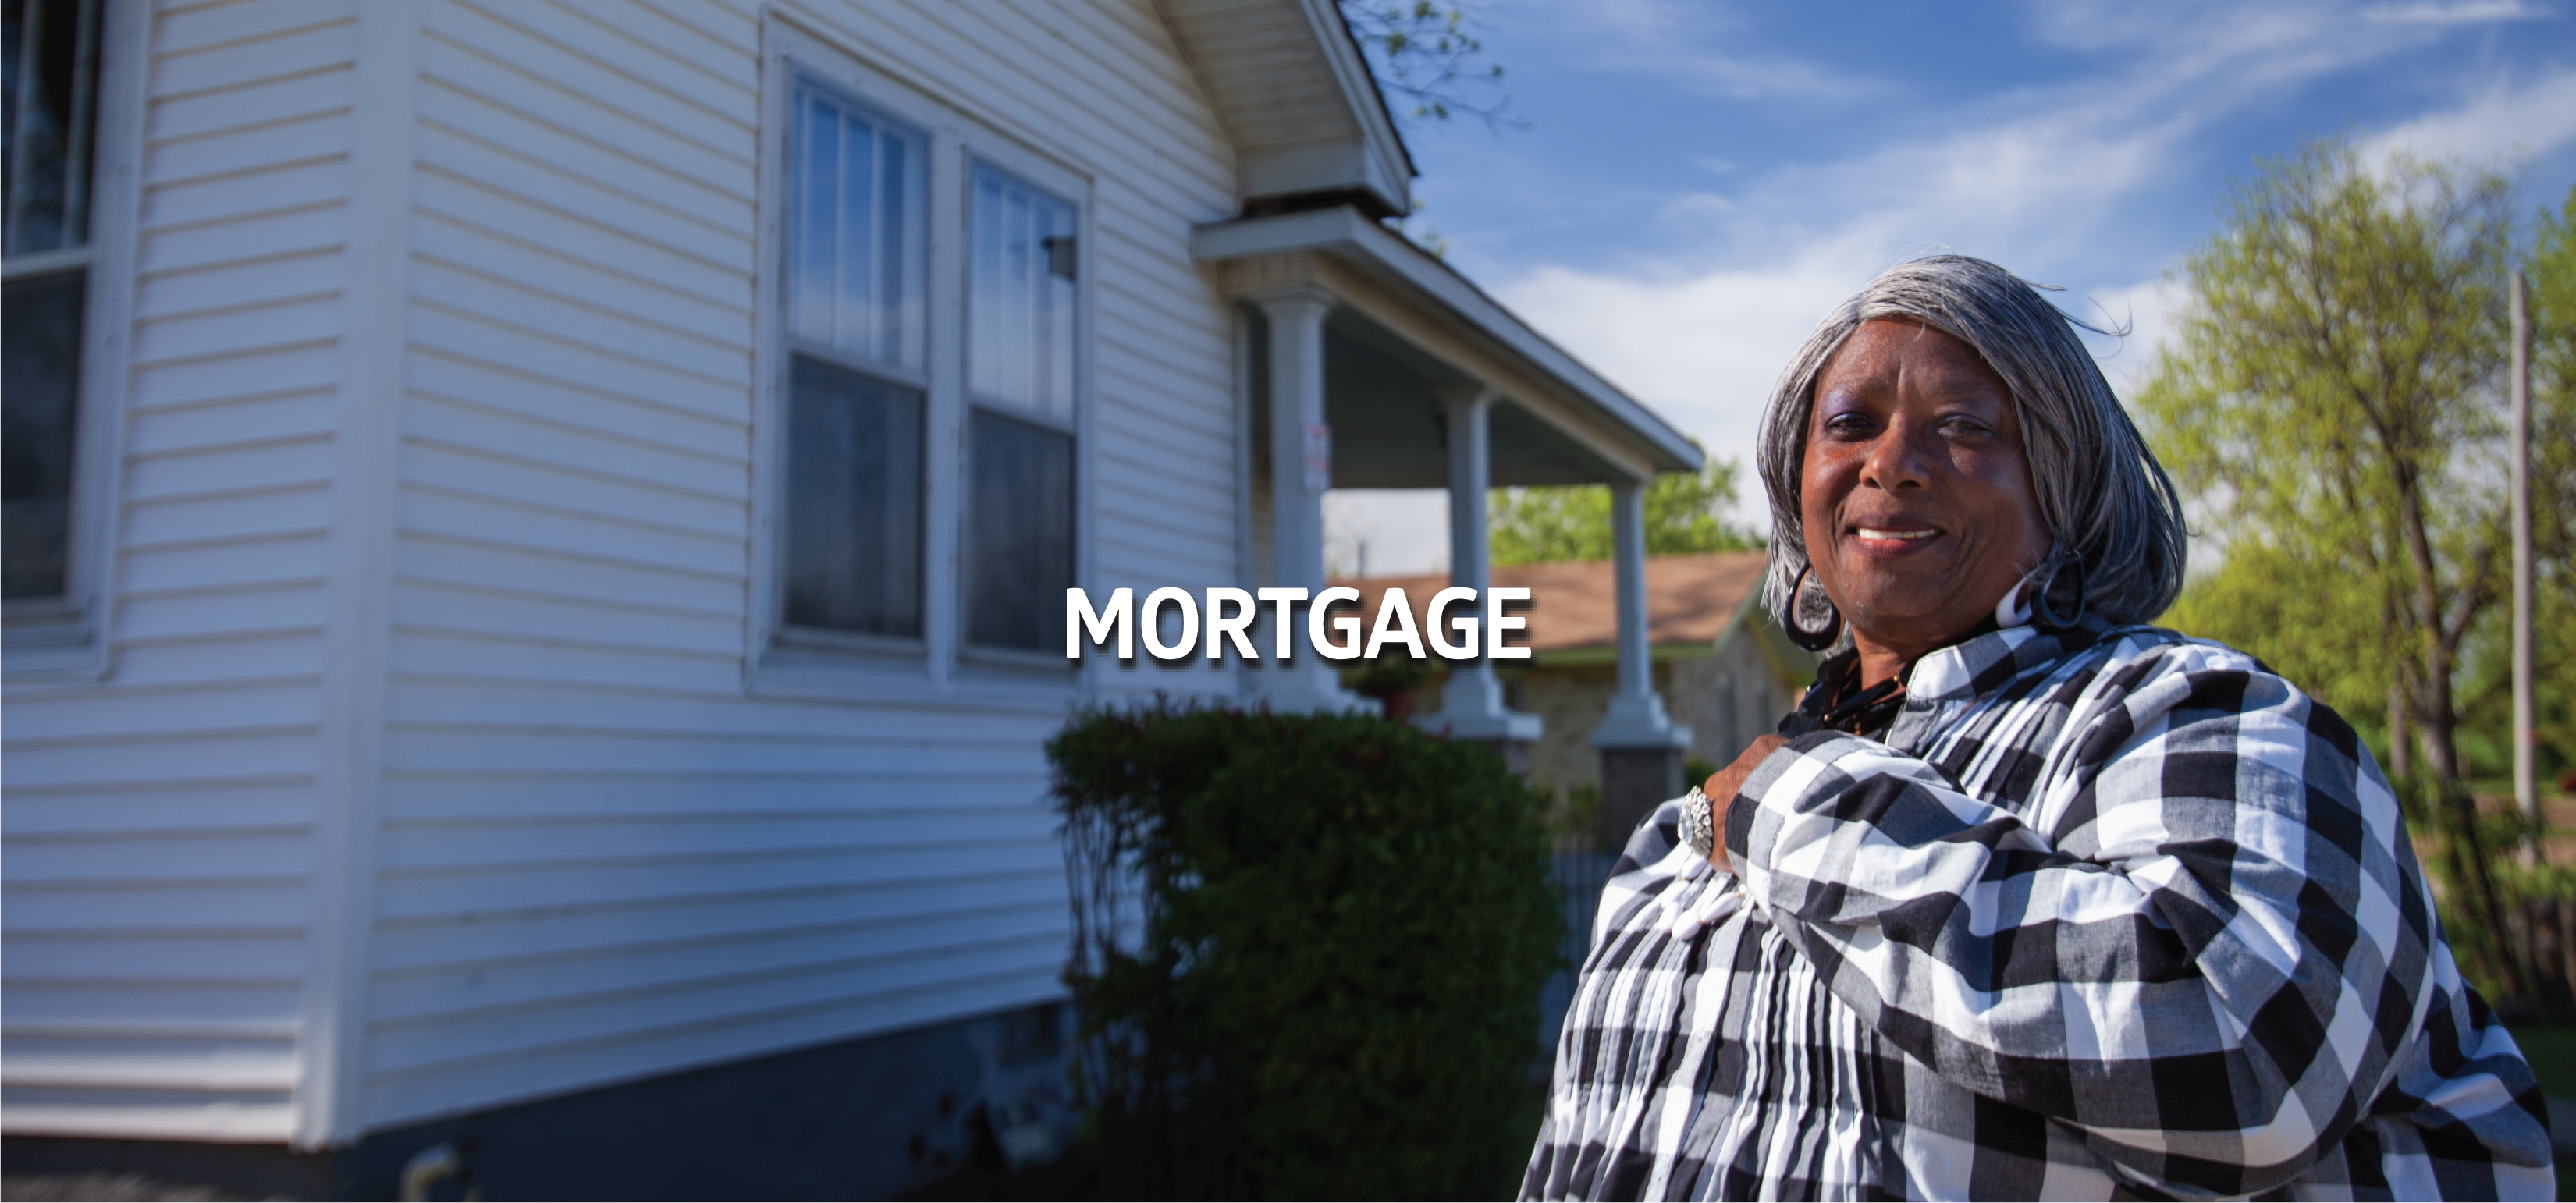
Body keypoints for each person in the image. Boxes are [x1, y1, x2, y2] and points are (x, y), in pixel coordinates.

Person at [1523, 256, 2553, 1201]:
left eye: (1966, 425)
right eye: (1850, 423)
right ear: (1799, 487)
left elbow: (2248, 1059)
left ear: (2065, 485)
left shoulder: (2195, 717)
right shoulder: (1676, 848)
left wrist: (1789, 808)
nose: (1896, 461)